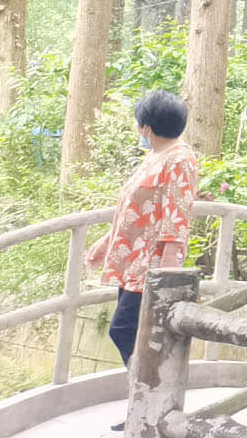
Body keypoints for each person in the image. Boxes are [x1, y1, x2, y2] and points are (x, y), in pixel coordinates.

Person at [89, 90, 199, 375]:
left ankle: (150, 399)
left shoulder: (179, 159)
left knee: (125, 330)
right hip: (132, 260)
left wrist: (166, 273)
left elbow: (176, 215)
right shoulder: (155, 156)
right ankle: (141, 405)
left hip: (152, 263)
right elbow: (135, 208)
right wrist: (106, 242)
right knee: (134, 334)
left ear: (146, 127)